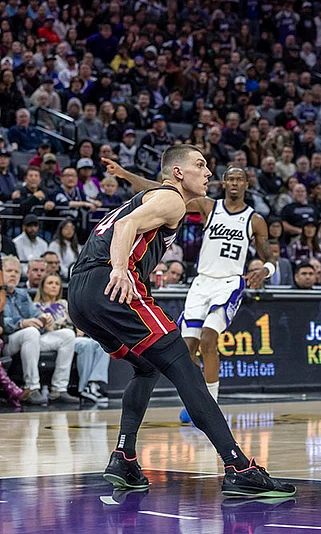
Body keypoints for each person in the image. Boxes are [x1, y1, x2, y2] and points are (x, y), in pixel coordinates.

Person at [67, 146, 293, 497]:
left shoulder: (156, 197)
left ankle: (124, 457)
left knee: (146, 367)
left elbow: (128, 219)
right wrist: (120, 269)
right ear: (177, 173)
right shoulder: (172, 199)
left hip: (79, 294)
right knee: (185, 366)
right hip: (110, 283)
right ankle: (238, 466)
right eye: (200, 165)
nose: (208, 172)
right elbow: (126, 226)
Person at [101, 161, 276, 424]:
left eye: (240, 179)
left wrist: (266, 270)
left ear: (246, 184)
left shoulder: (255, 219)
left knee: (208, 339)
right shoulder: (209, 206)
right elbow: (160, 191)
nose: (235, 183)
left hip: (228, 282)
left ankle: (211, 406)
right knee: (186, 348)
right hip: (201, 282)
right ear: (223, 183)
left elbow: (268, 255)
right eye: (230, 179)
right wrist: (125, 174)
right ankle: (196, 402)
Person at [3, 255, 78, 406]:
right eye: (9, 271)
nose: (13, 275)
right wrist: (22, 323)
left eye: (16, 272)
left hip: (30, 338)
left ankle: (59, 389)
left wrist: (43, 318)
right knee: (30, 332)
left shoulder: (22, 293)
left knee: (68, 335)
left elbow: (34, 314)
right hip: (7, 340)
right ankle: (32, 387)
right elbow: (2, 322)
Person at [34, 273, 111, 404]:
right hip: (55, 338)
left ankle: (94, 382)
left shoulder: (64, 303)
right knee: (86, 345)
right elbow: (47, 328)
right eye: (50, 283)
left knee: (101, 344)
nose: (54, 286)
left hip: (73, 336)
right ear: (42, 286)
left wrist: (79, 330)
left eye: (57, 284)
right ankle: (83, 387)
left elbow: (76, 321)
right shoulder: (37, 306)